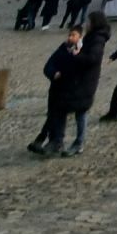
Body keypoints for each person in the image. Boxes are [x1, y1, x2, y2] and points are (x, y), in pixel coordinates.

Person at [44, 10, 111, 156]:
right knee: (64, 108)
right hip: (78, 81)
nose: (86, 24)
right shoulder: (91, 38)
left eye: (88, 22)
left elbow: (92, 59)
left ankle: (78, 143)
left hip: (85, 83)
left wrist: (77, 55)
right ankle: (57, 141)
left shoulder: (97, 40)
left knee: (80, 112)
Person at [28, 26, 82, 154]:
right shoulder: (62, 49)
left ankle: (55, 141)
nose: (70, 37)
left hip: (69, 89)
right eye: (69, 35)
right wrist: (54, 73)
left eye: (73, 35)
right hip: (56, 88)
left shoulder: (80, 52)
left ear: (80, 37)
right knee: (52, 113)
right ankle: (48, 140)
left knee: (59, 114)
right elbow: (49, 65)